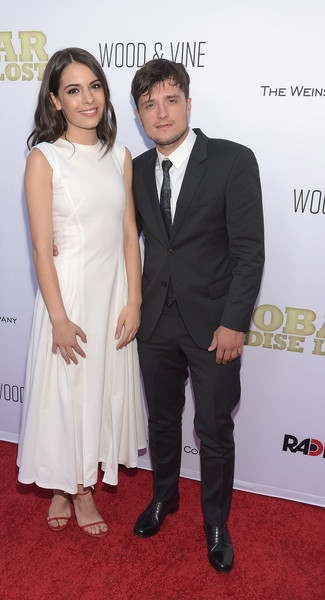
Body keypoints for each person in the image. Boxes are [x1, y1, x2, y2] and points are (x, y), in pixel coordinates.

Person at [130, 59, 264, 571]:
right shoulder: (135, 170)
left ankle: (216, 523)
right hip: (155, 323)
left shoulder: (233, 160)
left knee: (213, 429)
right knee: (162, 420)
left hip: (214, 325)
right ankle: (164, 497)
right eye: (149, 104)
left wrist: (234, 323)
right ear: (139, 114)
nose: (161, 113)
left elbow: (249, 252)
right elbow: (124, 238)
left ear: (188, 103)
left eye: (171, 100)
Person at [17, 47, 147, 539]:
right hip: (68, 296)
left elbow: (129, 235)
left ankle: (76, 482)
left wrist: (134, 300)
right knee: (67, 393)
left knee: (99, 392)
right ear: (55, 101)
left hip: (112, 295)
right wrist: (58, 317)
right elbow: (40, 249)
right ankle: (70, 487)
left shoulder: (121, 156)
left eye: (94, 86)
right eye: (73, 90)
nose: (88, 99)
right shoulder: (44, 158)